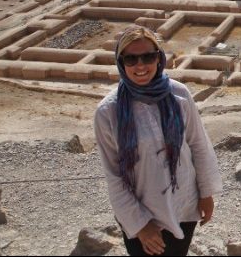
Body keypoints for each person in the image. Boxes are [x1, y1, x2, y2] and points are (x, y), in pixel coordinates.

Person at [94, 26, 222, 256]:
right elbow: (114, 174)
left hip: (184, 205)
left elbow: (198, 145)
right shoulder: (108, 112)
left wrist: (206, 194)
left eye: (148, 56)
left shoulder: (179, 95)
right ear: (121, 63)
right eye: (131, 59)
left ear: (159, 58)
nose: (140, 65)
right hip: (143, 212)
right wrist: (140, 224)